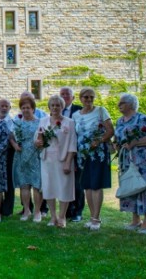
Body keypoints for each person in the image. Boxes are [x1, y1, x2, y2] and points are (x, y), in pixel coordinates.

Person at [115, 93, 146, 234]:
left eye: (122, 103)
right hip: (126, 159)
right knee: (131, 186)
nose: (119, 105)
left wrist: (136, 143)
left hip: (141, 158)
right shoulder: (120, 121)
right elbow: (118, 138)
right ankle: (135, 220)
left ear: (131, 104)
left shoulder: (141, 118)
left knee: (144, 187)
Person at [72, 87, 114, 231]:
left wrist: (99, 141)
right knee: (87, 186)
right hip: (82, 154)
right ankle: (91, 217)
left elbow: (110, 130)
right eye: (85, 97)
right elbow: (74, 135)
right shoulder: (76, 115)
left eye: (91, 97)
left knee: (96, 185)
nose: (88, 100)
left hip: (98, 153)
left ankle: (97, 218)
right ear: (80, 98)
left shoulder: (101, 111)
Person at [35, 95, 77, 228]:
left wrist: (68, 162)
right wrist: (37, 142)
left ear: (62, 107)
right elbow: (37, 140)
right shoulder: (43, 121)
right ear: (49, 107)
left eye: (57, 105)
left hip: (63, 159)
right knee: (49, 187)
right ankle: (53, 216)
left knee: (64, 188)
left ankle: (62, 216)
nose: (55, 107)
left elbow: (72, 143)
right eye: (52, 105)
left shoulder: (69, 122)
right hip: (47, 159)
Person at [10, 97, 42, 222]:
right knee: (24, 185)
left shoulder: (40, 122)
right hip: (21, 155)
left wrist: (40, 142)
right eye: (23, 108)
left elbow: (44, 137)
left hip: (35, 156)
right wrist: (14, 145)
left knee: (36, 185)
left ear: (33, 109)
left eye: (28, 107)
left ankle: (38, 212)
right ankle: (27, 210)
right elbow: (11, 137)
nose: (25, 110)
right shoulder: (17, 122)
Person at [61, 86, 84, 222]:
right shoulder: (56, 111)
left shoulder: (79, 111)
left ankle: (78, 211)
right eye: (62, 94)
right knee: (64, 183)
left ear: (73, 97)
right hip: (61, 153)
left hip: (76, 152)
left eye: (67, 94)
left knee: (77, 184)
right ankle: (67, 210)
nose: (64, 96)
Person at [0, 97, 16, 217]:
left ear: (10, 108)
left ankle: (8, 210)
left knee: (9, 181)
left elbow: (12, 138)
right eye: (2, 106)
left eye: (6, 106)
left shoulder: (13, 121)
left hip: (9, 153)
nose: (4, 108)